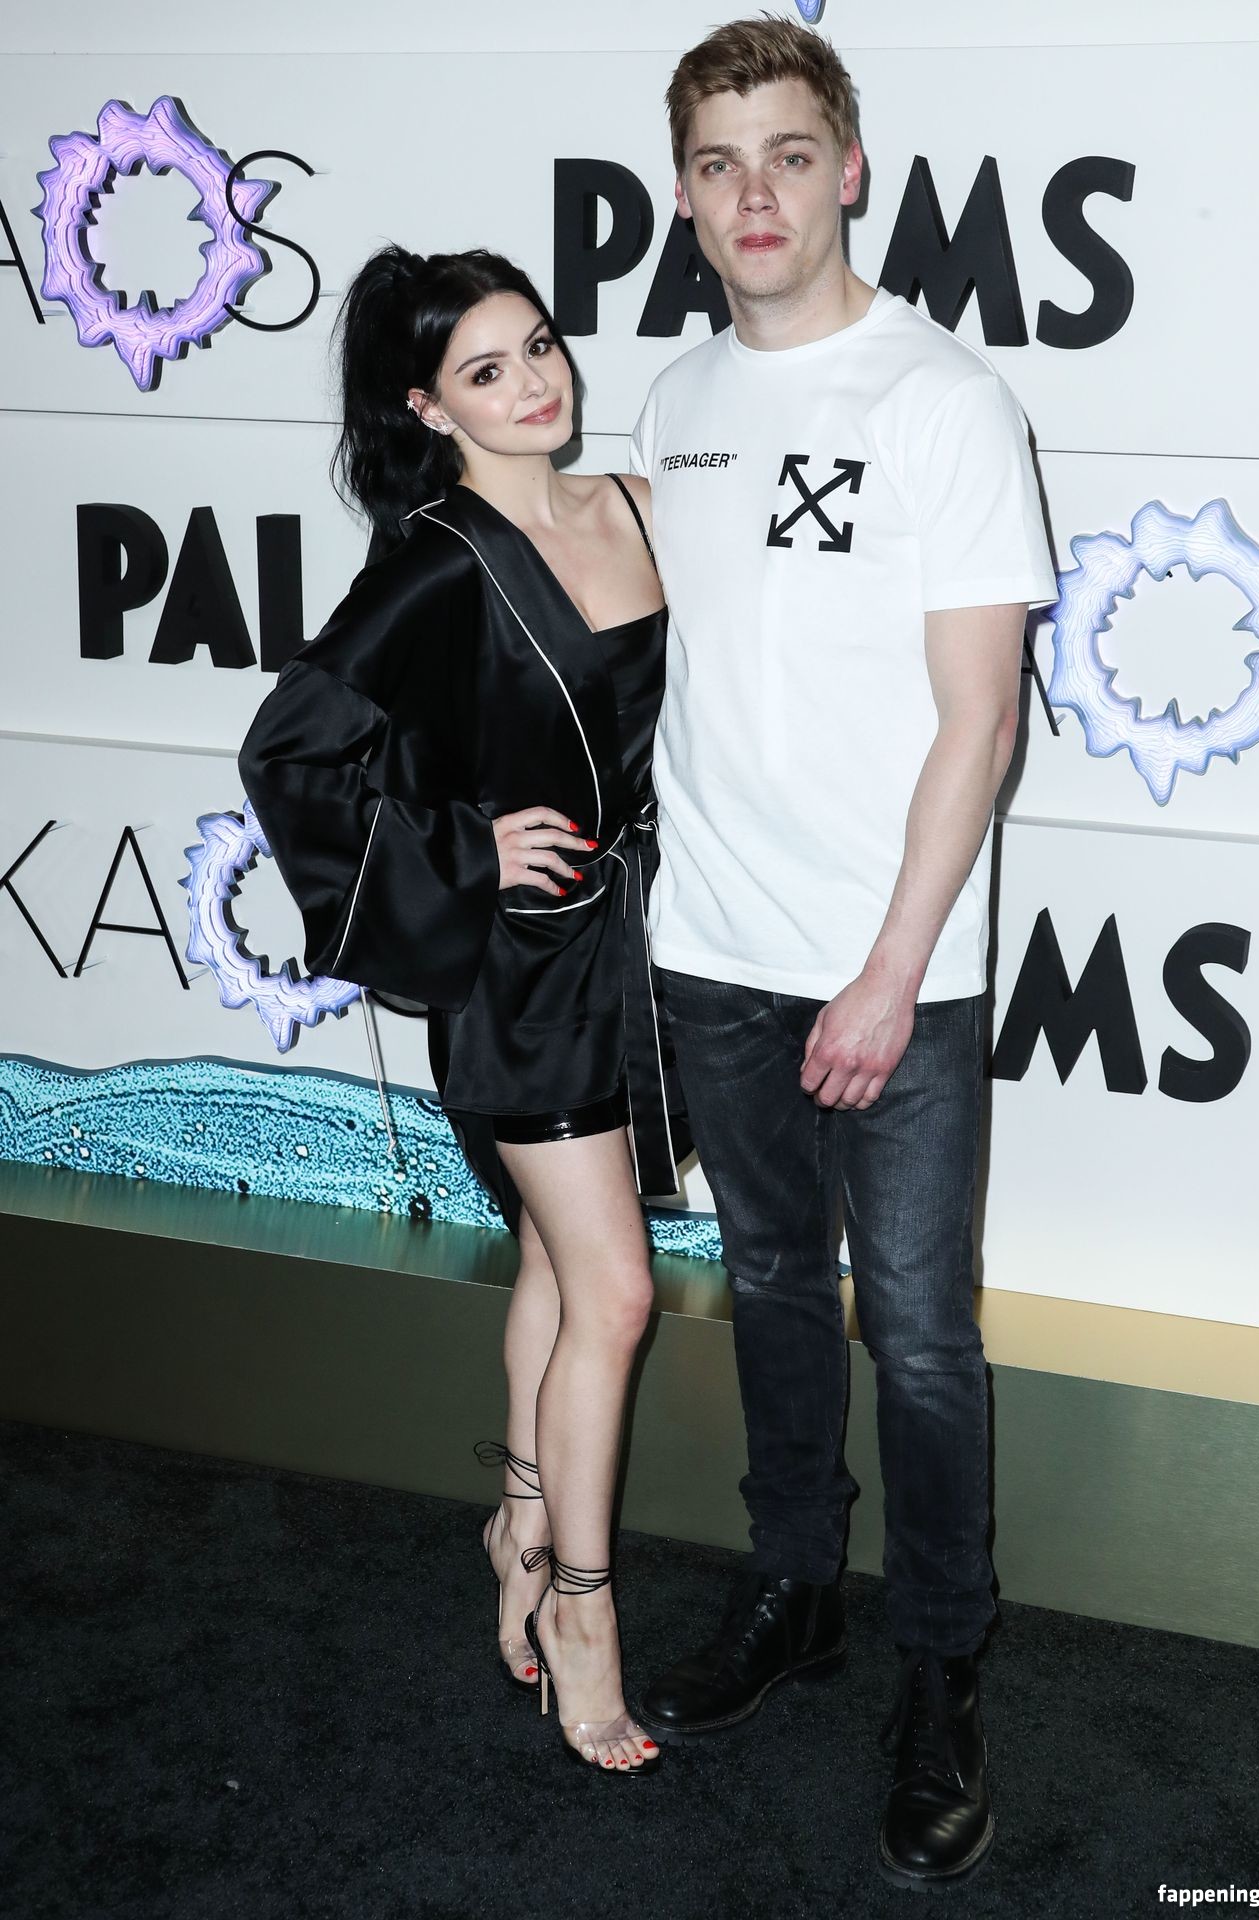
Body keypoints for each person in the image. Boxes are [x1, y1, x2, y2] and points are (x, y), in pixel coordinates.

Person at [628, 18, 1058, 1882]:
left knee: (929, 1339)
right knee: (774, 1291)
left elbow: (983, 718)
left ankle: (942, 1668)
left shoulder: (944, 401)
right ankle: (794, 1584)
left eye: (789, 155)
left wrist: (888, 970)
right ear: (683, 194)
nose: (757, 195)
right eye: (720, 164)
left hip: (899, 969)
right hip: (713, 949)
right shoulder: (670, 401)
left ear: (851, 170)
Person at [238, 245, 678, 1776]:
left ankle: (521, 1524)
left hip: (633, 948)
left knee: (562, 1271)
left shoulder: (634, 505)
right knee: (617, 1295)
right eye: (486, 370)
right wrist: (466, 849)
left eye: (539, 345)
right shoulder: (434, 562)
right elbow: (290, 753)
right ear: (429, 407)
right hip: (518, 975)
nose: (534, 382)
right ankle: (584, 1614)